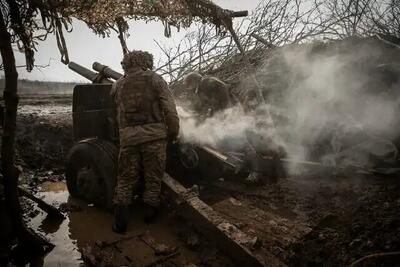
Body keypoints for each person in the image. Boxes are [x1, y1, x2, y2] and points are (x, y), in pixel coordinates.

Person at [111, 50, 180, 233]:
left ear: (126, 64)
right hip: (154, 138)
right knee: (153, 178)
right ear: (147, 62)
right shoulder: (156, 80)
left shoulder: (118, 85)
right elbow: (170, 109)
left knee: (125, 180)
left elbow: (118, 113)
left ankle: (120, 224)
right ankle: (149, 217)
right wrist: (173, 133)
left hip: (128, 140)